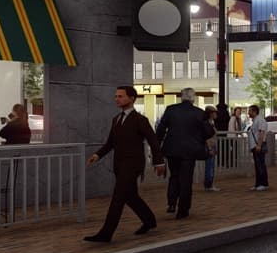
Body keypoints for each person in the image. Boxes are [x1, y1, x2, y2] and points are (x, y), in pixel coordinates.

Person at [84, 86, 165, 242]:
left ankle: (106, 233)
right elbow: (110, 143)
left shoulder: (140, 120)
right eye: (116, 96)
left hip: (133, 165)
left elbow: (153, 141)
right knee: (130, 196)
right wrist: (97, 155)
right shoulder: (116, 119)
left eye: (121, 96)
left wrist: (159, 161)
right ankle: (149, 220)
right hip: (119, 165)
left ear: (132, 98)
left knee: (118, 197)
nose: (117, 99)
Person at [155, 88, 214, 219]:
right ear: (193, 98)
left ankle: (171, 203)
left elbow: (161, 129)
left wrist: (157, 147)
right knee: (186, 179)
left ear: (181, 97)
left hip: (172, 149)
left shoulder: (171, 109)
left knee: (174, 176)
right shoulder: (199, 113)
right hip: (190, 151)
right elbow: (209, 132)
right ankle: (183, 209)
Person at [246, 105, 269, 191]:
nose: (248, 113)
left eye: (250, 111)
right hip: (255, 145)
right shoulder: (256, 120)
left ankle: (263, 183)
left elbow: (261, 133)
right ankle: (258, 184)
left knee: (260, 165)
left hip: (258, 145)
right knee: (258, 165)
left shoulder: (260, 120)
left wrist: (259, 145)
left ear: (254, 111)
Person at [203, 106, 220, 192]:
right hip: (210, 145)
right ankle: (209, 185)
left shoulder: (211, 122)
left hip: (212, 145)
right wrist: (209, 148)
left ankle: (209, 184)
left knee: (210, 165)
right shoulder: (207, 123)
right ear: (210, 113)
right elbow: (207, 137)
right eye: (214, 112)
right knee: (209, 166)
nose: (216, 114)